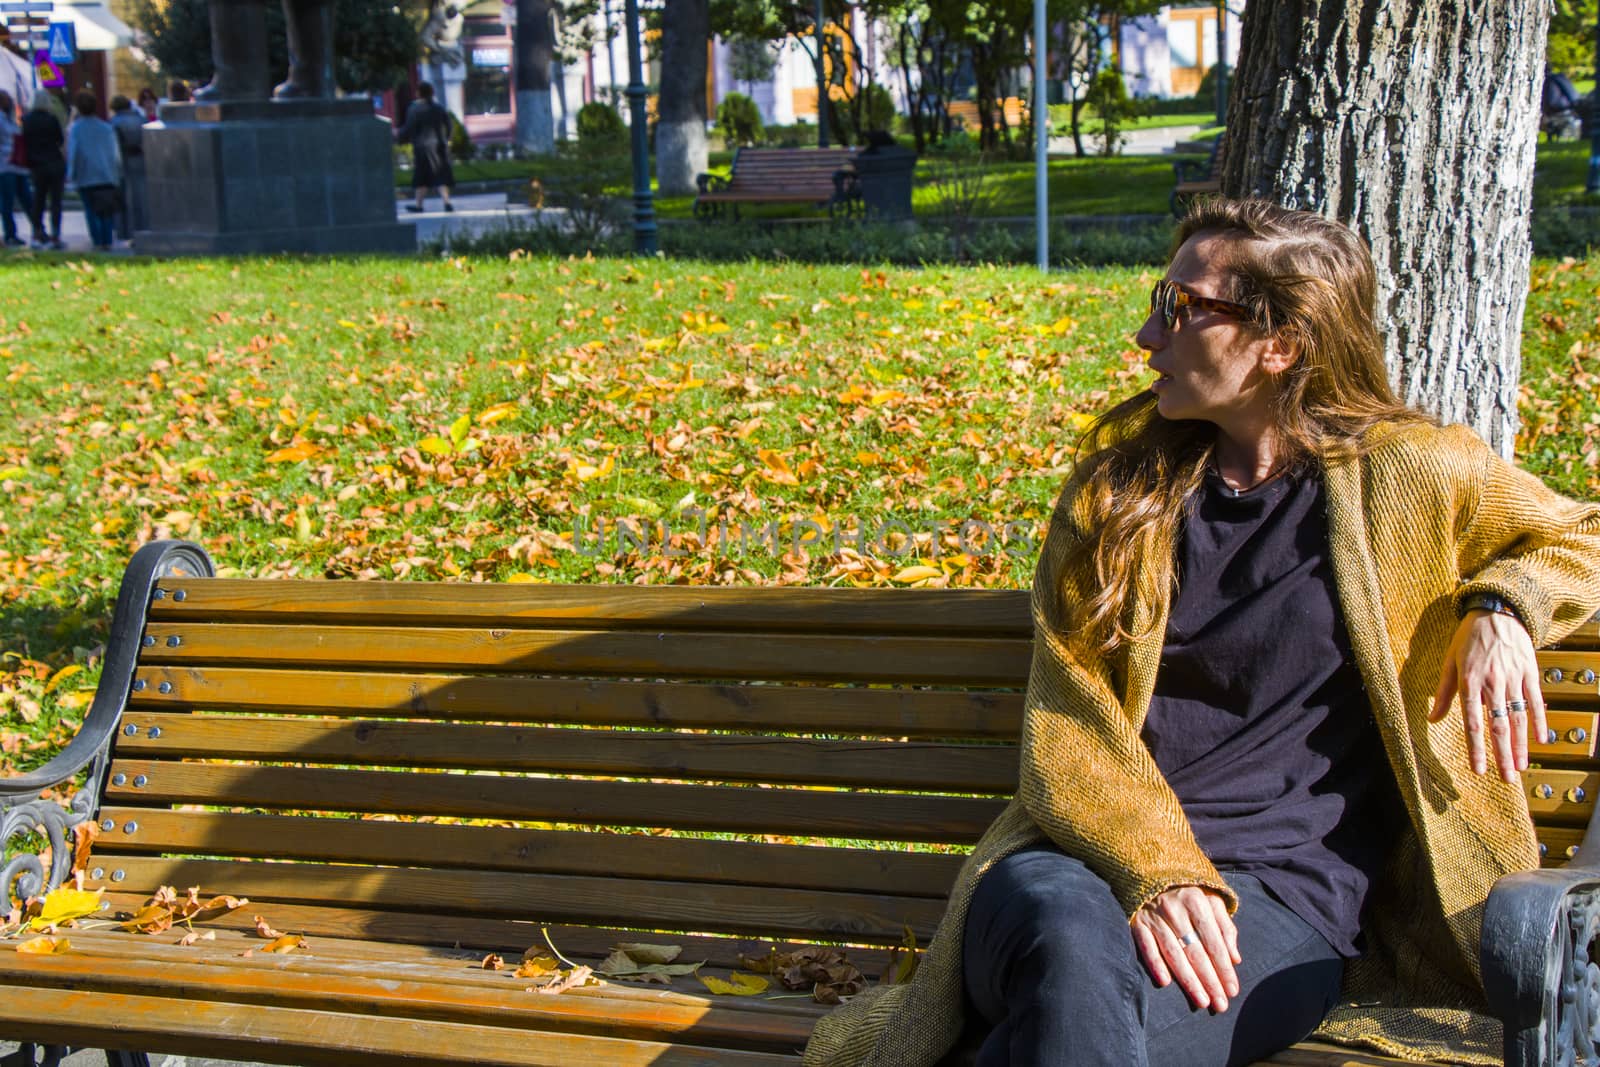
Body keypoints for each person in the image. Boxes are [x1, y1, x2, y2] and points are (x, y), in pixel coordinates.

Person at [801, 198, 1600, 1067]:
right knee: (1068, 939)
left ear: (1281, 343)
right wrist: (1157, 867)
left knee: (1069, 1024)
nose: (1147, 334)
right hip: (1068, 871)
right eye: (1159, 299)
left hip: (1281, 912)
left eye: (1181, 309)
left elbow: (1582, 536)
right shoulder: (1119, 496)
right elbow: (1068, 723)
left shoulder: (1413, 475)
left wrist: (1504, 605)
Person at [65, 90, 122, 252]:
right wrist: (117, 172)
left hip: (86, 175)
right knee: (106, 210)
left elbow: (74, 153)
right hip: (106, 174)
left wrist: (71, 174)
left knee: (91, 210)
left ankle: (97, 240)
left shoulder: (76, 129)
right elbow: (114, 153)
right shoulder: (106, 128)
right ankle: (107, 240)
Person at [395, 82, 454, 214]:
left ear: (419, 93)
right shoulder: (439, 108)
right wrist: (448, 139)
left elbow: (409, 127)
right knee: (440, 174)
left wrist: (399, 136)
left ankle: (419, 205)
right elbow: (449, 124)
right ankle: (447, 202)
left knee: (421, 175)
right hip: (439, 145)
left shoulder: (414, 109)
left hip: (422, 146)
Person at [21, 90, 65, 250]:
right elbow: (59, 140)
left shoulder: (26, 120)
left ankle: (37, 232)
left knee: (38, 200)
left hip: (37, 165)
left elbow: (24, 141)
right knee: (56, 201)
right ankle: (56, 234)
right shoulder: (51, 119)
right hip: (54, 162)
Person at [0, 90, 36, 248]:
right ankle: (10, 234)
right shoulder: (2, 119)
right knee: (7, 201)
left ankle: (38, 229)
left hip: (17, 165)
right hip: (5, 165)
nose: (11, 103)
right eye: (7, 100)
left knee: (27, 199)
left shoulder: (11, 119)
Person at [108, 95, 147, 240]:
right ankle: (143, 227)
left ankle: (126, 231)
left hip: (123, 162)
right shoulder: (141, 120)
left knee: (125, 198)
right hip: (142, 161)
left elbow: (114, 147)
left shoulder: (114, 122)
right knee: (142, 197)